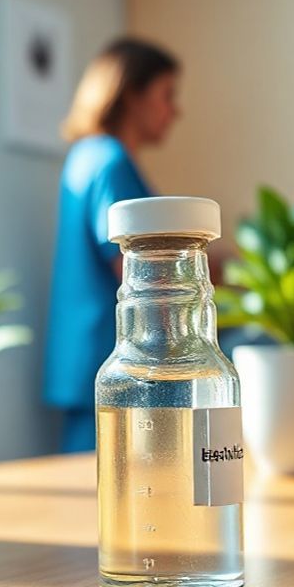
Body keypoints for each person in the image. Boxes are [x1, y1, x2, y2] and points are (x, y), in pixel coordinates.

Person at [44, 37, 181, 453]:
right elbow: (136, 268)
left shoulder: (85, 156)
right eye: (167, 95)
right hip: (114, 360)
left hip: (85, 356)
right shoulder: (111, 163)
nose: (175, 111)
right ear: (131, 96)